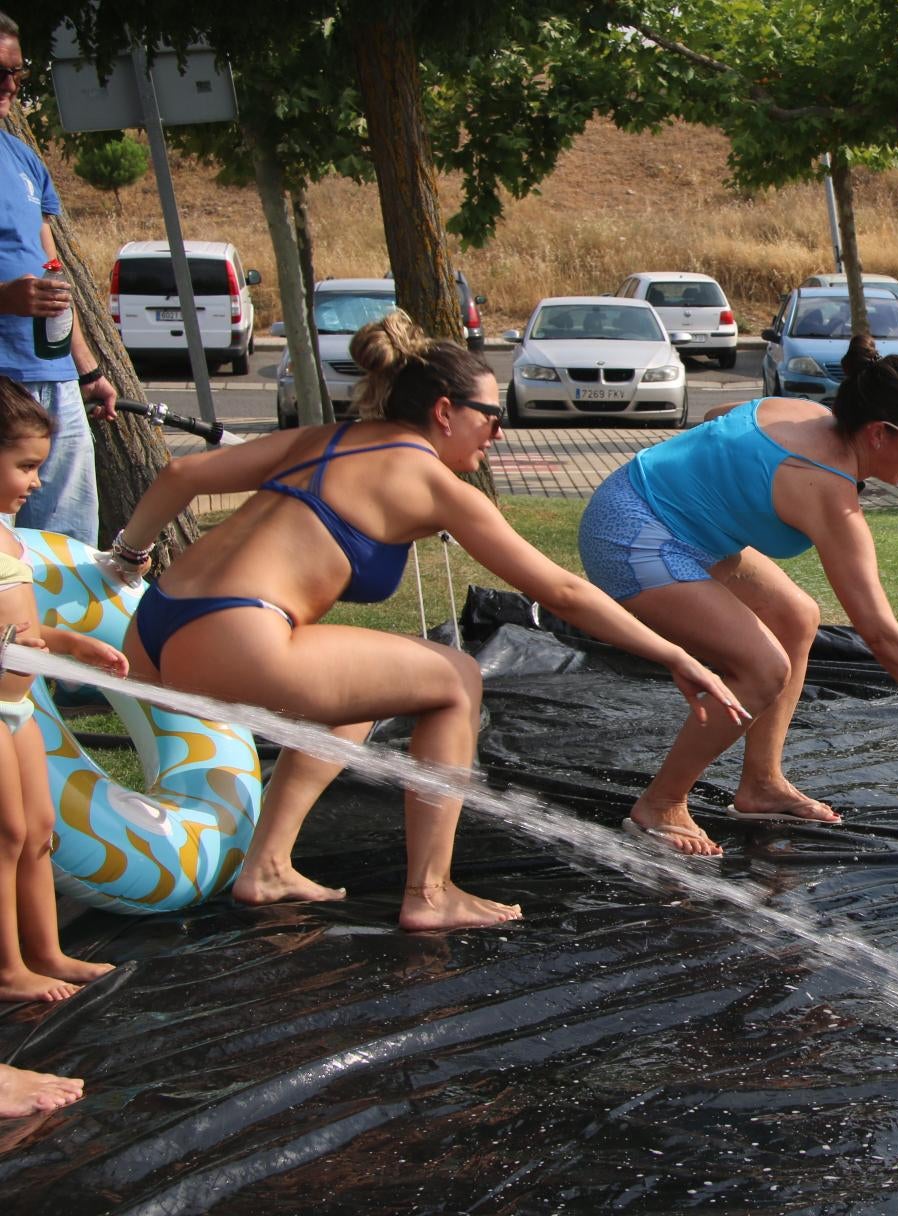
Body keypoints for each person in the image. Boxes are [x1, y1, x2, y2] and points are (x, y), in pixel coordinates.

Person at [108, 312, 749, 931]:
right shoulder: (431, 482)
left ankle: (269, 865)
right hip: (237, 636)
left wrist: (128, 559)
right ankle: (431, 893)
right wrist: (674, 655)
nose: (498, 433)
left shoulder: (322, 439)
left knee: (360, 695)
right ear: (445, 411)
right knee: (455, 678)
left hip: (157, 627)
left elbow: (181, 472)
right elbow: (561, 591)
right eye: (491, 417)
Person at [578, 334, 898, 856]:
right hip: (630, 533)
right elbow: (880, 632)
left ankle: (760, 783)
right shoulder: (828, 492)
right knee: (762, 667)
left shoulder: (801, 412)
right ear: (877, 434)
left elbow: (721, 414)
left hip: (669, 521)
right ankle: (661, 803)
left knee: (796, 616)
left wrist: (708, 485)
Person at [0, 379, 123, 1003]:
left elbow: (19, 621)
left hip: (17, 708)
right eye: (25, 466)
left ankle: (46, 950)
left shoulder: (4, 531)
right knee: (7, 833)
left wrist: (71, 643)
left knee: (40, 826)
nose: (37, 483)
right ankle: (8, 968)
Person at [0, 13, 118, 545]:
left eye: (17, 74)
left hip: (55, 382)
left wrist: (88, 370)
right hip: (2, 383)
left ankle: (50, 633)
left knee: (66, 544)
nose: (9, 85)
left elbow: (53, 273)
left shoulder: (23, 159)